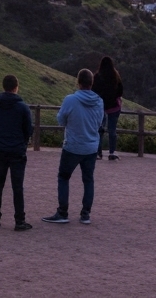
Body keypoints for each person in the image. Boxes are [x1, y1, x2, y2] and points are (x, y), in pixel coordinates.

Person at [44, 69, 104, 225]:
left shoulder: (70, 100)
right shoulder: (99, 101)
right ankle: (86, 214)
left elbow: (61, 120)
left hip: (73, 146)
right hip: (91, 147)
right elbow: (99, 123)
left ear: (78, 82)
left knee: (63, 177)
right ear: (92, 83)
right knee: (88, 180)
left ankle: (62, 212)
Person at [0, 74, 34, 231]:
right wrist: (23, 142)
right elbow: (28, 130)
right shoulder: (22, 107)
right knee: (17, 186)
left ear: (3, 86)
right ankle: (19, 220)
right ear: (16, 87)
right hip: (17, 149)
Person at [92, 56, 124, 160]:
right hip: (114, 106)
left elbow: (93, 91)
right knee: (112, 130)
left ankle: (98, 152)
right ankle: (112, 152)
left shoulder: (97, 76)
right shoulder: (116, 76)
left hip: (101, 107)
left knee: (99, 130)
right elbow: (120, 91)